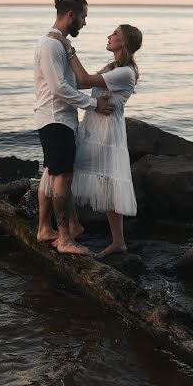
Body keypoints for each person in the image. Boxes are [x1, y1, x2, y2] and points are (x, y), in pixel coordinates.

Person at [47, 23, 143, 258]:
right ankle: (81, 228)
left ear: (125, 42)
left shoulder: (125, 72)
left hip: (107, 134)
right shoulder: (113, 67)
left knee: (78, 175)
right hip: (96, 130)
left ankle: (85, 231)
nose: (109, 36)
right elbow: (80, 82)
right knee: (72, 173)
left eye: (115, 34)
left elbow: (84, 79)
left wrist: (68, 49)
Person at [34, 0, 114, 256]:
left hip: (59, 119)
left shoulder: (60, 45)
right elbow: (59, 89)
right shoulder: (50, 45)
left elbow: (75, 82)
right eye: (83, 17)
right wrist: (94, 105)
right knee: (63, 179)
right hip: (56, 119)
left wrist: (106, 74)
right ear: (71, 15)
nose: (85, 23)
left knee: (53, 174)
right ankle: (65, 238)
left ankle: (46, 230)